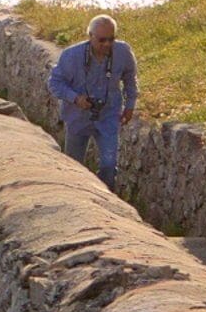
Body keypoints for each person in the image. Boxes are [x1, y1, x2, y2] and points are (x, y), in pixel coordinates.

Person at [49, 15, 139, 185]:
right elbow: (54, 83)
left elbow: (130, 79)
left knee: (109, 165)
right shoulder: (71, 56)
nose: (107, 44)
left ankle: (105, 201)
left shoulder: (123, 52)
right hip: (78, 118)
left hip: (108, 116)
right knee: (73, 166)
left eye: (111, 39)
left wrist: (130, 105)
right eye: (102, 40)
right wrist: (75, 98)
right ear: (90, 36)